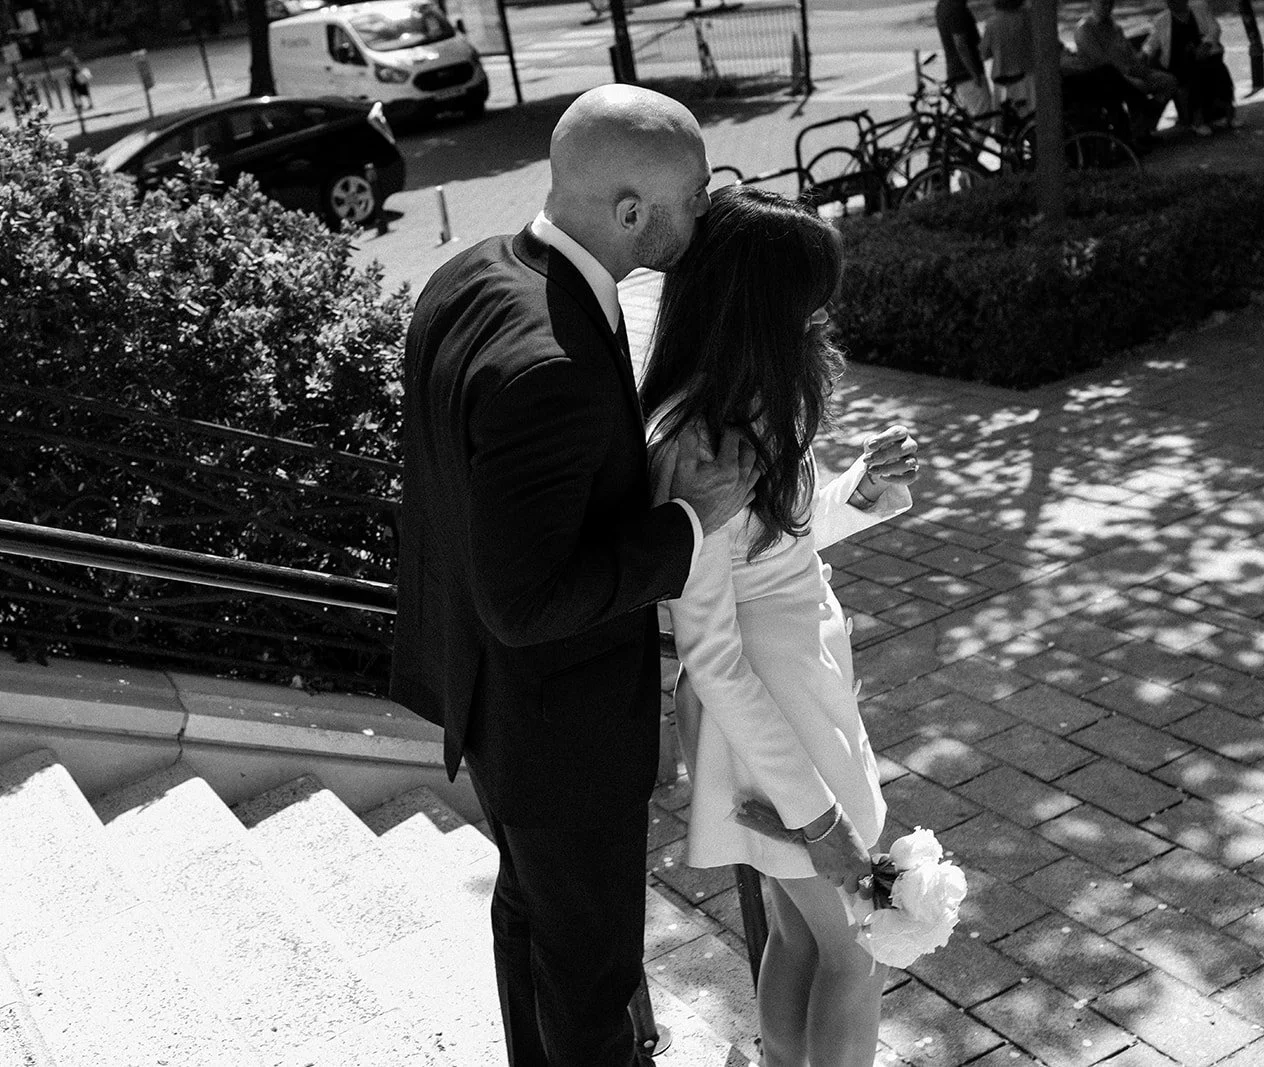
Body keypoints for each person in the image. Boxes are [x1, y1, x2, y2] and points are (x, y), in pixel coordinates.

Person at [389, 84, 755, 1067]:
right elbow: (528, 598)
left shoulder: (468, 273)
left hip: (493, 708)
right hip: (561, 735)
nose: (707, 211)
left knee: (530, 925)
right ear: (631, 212)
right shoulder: (551, 362)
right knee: (592, 979)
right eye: (694, 196)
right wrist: (688, 522)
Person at [639, 187, 921, 1067]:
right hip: (771, 712)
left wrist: (859, 490)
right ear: (756, 305)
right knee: (858, 945)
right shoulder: (697, 440)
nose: (820, 316)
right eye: (806, 298)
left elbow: (776, 547)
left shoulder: (748, 400)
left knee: (802, 935)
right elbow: (710, 646)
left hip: (797, 689)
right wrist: (817, 816)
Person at [1072, 0, 1178, 144]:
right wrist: (1127, 72)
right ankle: (1138, 133)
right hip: (1109, 79)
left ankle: (1145, 126)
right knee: (1137, 86)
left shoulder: (1115, 27)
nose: (1107, 7)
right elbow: (1101, 62)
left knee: (1168, 81)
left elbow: (1129, 52)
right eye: (1103, 3)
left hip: (1131, 70)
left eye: (1110, 3)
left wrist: (1139, 64)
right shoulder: (1085, 30)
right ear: (1093, 4)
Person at [1142, 0, 1235, 134]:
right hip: (1177, 64)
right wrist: (1145, 54)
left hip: (1203, 56)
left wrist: (1206, 44)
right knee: (1195, 71)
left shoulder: (1200, 8)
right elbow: (1151, 43)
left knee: (1216, 67)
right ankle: (1198, 119)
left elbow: (1214, 29)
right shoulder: (1161, 20)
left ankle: (1227, 112)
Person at [935, 0, 993, 117]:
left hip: (958, 72)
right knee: (984, 118)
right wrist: (974, 73)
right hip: (966, 73)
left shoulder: (943, 5)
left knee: (977, 117)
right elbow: (960, 44)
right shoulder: (956, 8)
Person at [981, 0, 1035, 119]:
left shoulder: (992, 23)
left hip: (1001, 78)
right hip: (1025, 75)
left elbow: (984, 54)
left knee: (1001, 119)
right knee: (1028, 118)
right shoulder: (1027, 19)